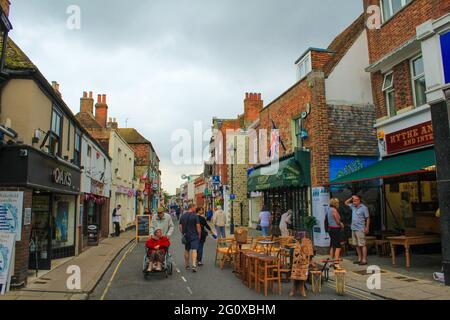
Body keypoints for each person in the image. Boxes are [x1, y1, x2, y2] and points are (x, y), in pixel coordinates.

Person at [345, 195, 370, 266]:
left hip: (360, 228)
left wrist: (367, 227)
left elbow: (368, 218)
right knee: (356, 245)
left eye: (355, 200)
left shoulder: (364, 208)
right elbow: (346, 202)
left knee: (362, 244)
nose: (354, 202)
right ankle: (359, 259)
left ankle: (364, 260)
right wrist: (351, 197)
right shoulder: (352, 206)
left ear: (359, 200)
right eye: (353, 200)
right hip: (353, 228)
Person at [179, 204, 202, 272]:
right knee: (194, 250)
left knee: (187, 249)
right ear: (191, 208)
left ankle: (187, 265)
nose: (195, 209)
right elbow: (198, 227)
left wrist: (183, 233)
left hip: (186, 235)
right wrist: (199, 234)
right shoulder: (195, 216)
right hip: (194, 235)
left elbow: (180, 226)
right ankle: (194, 265)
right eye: (195, 207)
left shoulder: (183, 216)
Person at [327, 198, 344, 269]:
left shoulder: (328, 209)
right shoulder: (334, 210)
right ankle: (336, 263)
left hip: (330, 228)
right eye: (337, 203)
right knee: (338, 246)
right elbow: (337, 221)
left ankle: (331, 261)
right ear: (335, 203)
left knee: (332, 244)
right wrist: (341, 224)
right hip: (335, 229)